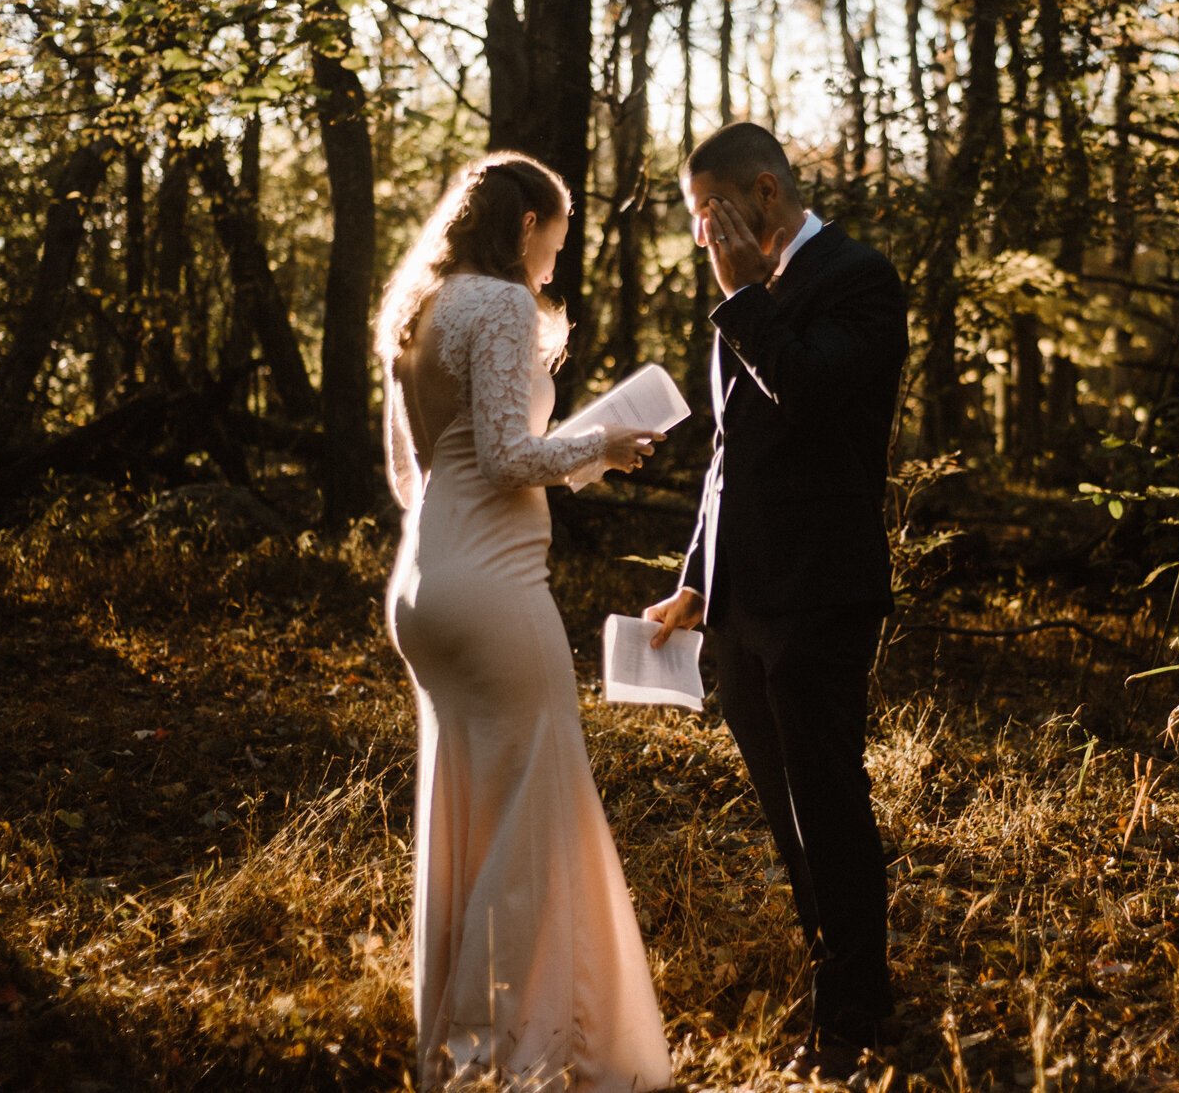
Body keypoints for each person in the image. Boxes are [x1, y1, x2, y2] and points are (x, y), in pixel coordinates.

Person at [376, 151, 673, 1093]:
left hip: (427, 581)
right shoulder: (501, 305)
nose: (557, 258)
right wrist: (607, 438)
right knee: (530, 819)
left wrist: (586, 457)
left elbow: (429, 469)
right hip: (496, 588)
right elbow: (506, 456)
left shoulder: (419, 307)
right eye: (556, 235)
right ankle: (525, 1056)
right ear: (524, 227)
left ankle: (465, 1048)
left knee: (464, 811)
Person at [643, 122, 909, 1082]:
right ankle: (829, 968)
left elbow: (803, 388)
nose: (701, 237)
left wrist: (742, 295)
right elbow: (730, 452)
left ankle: (857, 1011)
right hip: (744, 597)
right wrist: (695, 577)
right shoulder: (744, 302)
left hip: (821, 590)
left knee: (828, 798)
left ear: (761, 192)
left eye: (707, 215)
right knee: (782, 807)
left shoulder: (860, 279)